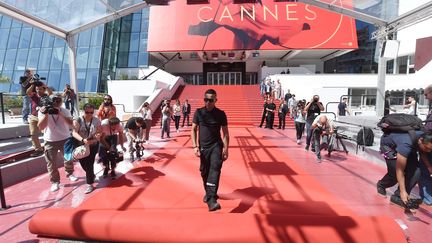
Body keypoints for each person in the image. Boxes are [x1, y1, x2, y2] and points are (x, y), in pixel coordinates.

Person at [191, 89, 229, 212]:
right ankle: (208, 193)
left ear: (215, 100)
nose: (208, 102)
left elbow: (225, 133)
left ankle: (212, 200)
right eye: (206, 99)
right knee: (204, 171)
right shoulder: (199, 112)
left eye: (211, 100)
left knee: (215, 169)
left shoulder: (221, 114)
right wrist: (195, 146)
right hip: (203, 147)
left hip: (216, 146)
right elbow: (193, 129)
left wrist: (225, 149)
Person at [377, 131, 432, 209]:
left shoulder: (424, 140)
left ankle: (398, 197)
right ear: (420, 140)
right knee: (395, 173)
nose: (429, 151)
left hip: (409, 148)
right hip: (389, 148)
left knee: (417, 172)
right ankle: (381, 185)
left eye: (430, 150)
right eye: (427, 148)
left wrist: (429, 168)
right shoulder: (406, 143)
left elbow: (423, 152)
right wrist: (403, 191)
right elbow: (400, 170)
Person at [38, 94, 77, 192]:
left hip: (65, 139)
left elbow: (71, 124)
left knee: (68, 158)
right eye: (54, 100)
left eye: (59, 100)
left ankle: (70, 173)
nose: (56, 103)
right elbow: (41, 127)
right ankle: (55, 182)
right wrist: (46, 114)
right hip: (50, 140)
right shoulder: (43, 111)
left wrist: (60, 113)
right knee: (51, 163)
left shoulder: (65, 110)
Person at [72, 103, 102, 194]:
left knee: (89, 164)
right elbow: (74, 133)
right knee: (83, 163)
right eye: (87, 112)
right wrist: (83, 140)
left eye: (91, 112)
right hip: (81, 145)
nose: (89, 114)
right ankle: (91, 175)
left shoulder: (96, 120)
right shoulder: (78, 120)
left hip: (93, 145)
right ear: (83, 111)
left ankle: (90, 184)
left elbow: (99, 132)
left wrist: (96, 137)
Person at [26, 81, 52, 157]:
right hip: (33, 117)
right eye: (37, 89)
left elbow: (50, 93)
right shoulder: (33, 95)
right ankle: (38, 150)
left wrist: (45, 86)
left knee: (47, 132)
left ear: (43, 90)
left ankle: (49, 148)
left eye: (40, 89)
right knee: (33, 134)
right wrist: (32, 85)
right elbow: (28, 91)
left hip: (43, 117)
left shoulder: (46, 96)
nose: (38, 90)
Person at [421, 85, 432, 205]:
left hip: (429, 141)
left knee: (425, 170)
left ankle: (428, 199)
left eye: (426, 94)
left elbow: (429, 129)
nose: (425, 97)